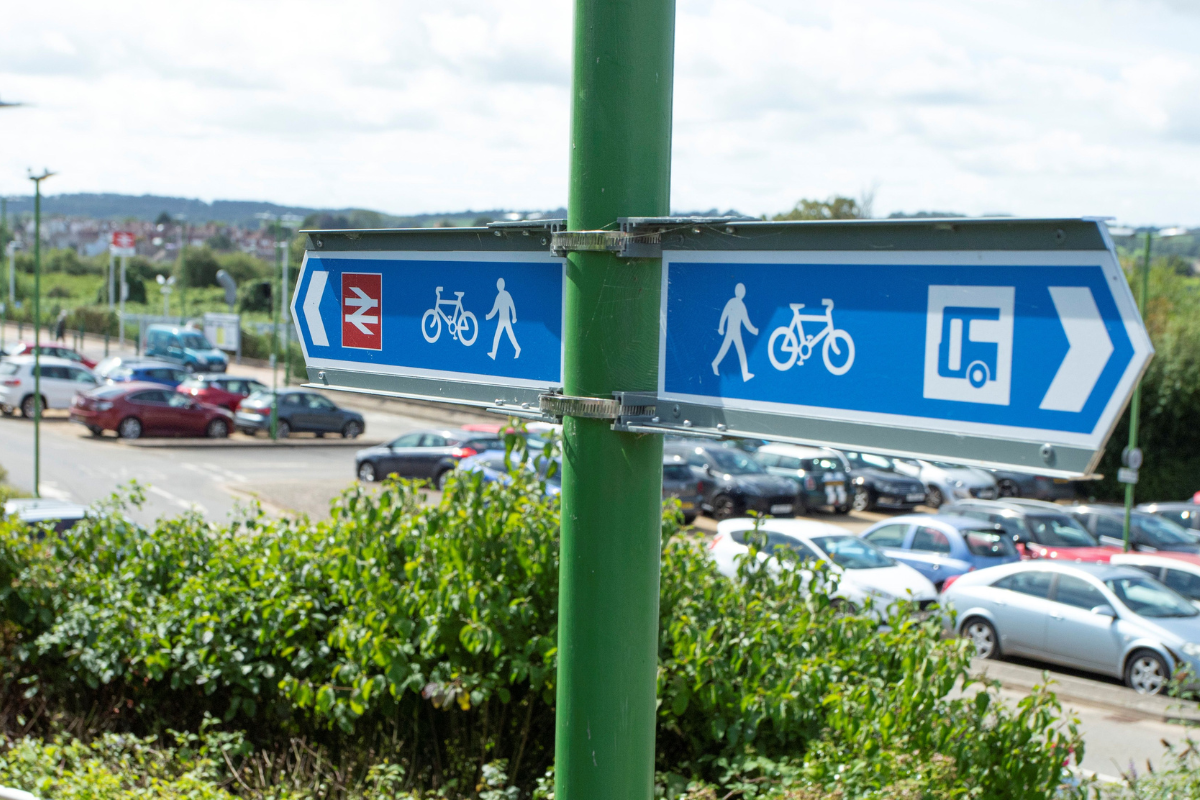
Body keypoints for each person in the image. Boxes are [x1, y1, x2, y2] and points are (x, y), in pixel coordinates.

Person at [712, 283, 758, 381]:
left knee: (727, 350)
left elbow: (724, 315)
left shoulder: (731, 302)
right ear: (743, 293)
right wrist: (754, 331)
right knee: (738, 352)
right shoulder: (740, 305)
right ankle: (744, 374)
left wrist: (721, 328)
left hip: (732, 332)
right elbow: (746, 322)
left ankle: (715, 364)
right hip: (734, 332)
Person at [486, 278, 520, 359]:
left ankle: (494, 353)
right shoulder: (505, 294)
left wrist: (488, 317)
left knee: (499, 336)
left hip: (503, 320)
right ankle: (517, 349)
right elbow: (511, 306)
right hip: (504, 320)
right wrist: (514, 317)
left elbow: (495, 309)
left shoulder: (500, 296)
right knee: (508, 335)